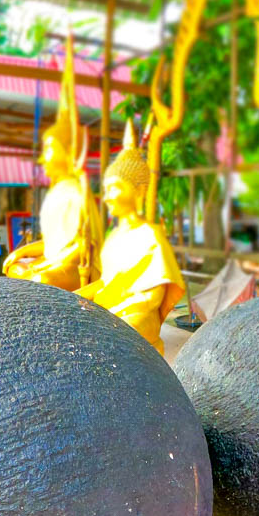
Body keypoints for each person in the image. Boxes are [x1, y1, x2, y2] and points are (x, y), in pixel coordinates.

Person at [3, 35, 103, 289]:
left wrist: (45, 266)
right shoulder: (57, 192)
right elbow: (53, 243)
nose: (42, 158)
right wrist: (23, 251)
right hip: (55, 262)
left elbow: (81, 246)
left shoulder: (76, 192)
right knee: (15, 267)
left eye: (48, 149)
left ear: (68, 152)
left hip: (74, 267)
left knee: (42, 280)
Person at [77, 122, 184, 354]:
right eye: (106, 190)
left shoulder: (150, 235)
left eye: (115, 188)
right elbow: (107, 283)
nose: (107, 197)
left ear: (139, 191)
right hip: (110, 309)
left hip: (137, 315)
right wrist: (72, 298)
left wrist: (109, 314)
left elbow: (152, 298)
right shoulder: (114, 237)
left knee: (117, 332)